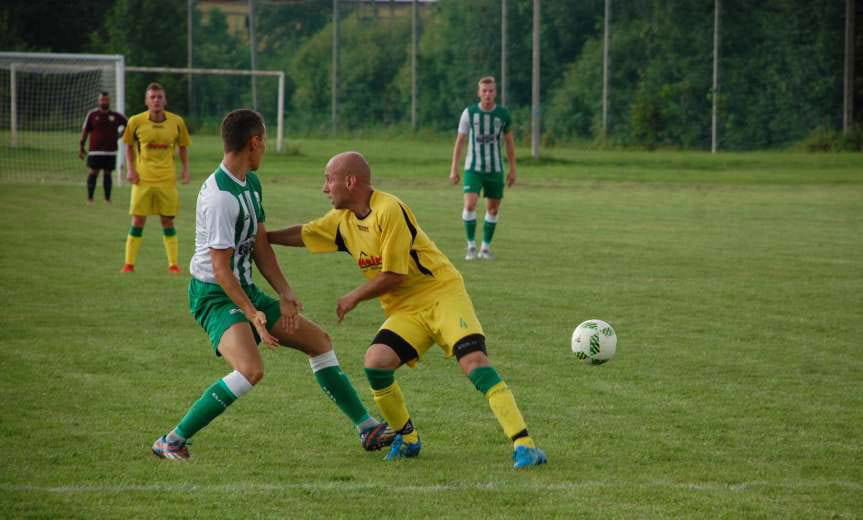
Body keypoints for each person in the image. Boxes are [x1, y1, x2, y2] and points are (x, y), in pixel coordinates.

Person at [267, 151, 547, 470]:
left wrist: (354, 296)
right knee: (376, 362)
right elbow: (303, 233)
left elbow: (395, 275)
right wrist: (263, 237)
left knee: (473, 362)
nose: (324, 187)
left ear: (350, 181)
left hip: (441, 294)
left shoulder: (389, 210)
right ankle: (408, 438)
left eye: (329, 179)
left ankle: (525, 446)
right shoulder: (342, 220)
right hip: (407, 309)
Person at [151, 110, 393, 460]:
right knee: (250, 370)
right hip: (215, 295)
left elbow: (259, 244)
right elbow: (220, 269)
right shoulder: (220, 197)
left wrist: (284, 292)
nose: (264, 147)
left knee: (319, 342)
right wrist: (253, 314)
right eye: (264, 141)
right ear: (254, 142)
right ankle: (172, 440)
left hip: (244, 288)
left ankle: (367, 428)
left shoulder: (250, 182)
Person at [120, 82, 191, 274]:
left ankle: (173, 265)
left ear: (165, 100)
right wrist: (131, 169)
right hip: (142, 179)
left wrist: (185, 169)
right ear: (146, 101)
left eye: (159, 97)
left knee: (167, 221)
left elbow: (183, 147)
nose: (156, 100)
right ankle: (128, 264)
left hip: (167, 179)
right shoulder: (135, 121)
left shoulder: (177, 122)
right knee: (137, 221)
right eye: (152, 97)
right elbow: (128, 146)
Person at [448, 76, 517, 261]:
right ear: (479, 93)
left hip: (495, 169)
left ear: (495, 93)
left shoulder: (503, 114)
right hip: (473, 168)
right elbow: (460, 141)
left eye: (491, 91)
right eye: (484, 91)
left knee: (492, 210)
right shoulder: (469, 113)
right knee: (470, 204)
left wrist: (513, 169)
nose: (487, 94)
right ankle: (471, 246)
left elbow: (510, 143)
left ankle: (485, 248)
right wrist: (454, 168)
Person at [78, 91, 127, 204]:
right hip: (95, 151)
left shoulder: (116, 116)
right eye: (102, 100)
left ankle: (107, 199)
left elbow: (129, 124)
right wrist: (81, 146)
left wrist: (120, 135)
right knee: (93, 173)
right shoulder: (92, 114)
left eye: (106, 100)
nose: (104, 102)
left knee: (108, 174)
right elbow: (85, 131)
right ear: (98, 101)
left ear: (109, 101)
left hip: (110, 151)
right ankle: (90, 198)